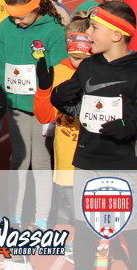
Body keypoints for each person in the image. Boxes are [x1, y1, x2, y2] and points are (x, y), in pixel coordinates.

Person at [52, 1, 137, 270]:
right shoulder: (88, 67)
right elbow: (76, 108)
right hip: (87, 163)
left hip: (123, 166)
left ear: (116, 35)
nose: (88, 33)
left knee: (132, 230)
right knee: (84, 230)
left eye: (94, 28)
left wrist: (128, 125)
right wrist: (58, 97)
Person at [0, 0, 67, 229]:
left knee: (42, 161)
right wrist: (4, 91)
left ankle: (42, 216)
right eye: (13, 17)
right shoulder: (6, 27)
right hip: (15, 105)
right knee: (19, 159)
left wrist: (50, 104)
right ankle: (15, 215)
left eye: (22, 17)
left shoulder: (53, 30)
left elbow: (58, 69)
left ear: (36, 8)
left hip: (42, 106)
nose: (17, 22)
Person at [33, 17, 92, 231]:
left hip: (94, 159)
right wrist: (44, 89)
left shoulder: (102, 72)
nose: (80, 63)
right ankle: (84, 243)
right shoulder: (58, 72)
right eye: (75, 58)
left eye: (86, 58)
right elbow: (45, 116)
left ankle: (94, 243)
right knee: (77, 210)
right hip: (67, 159)